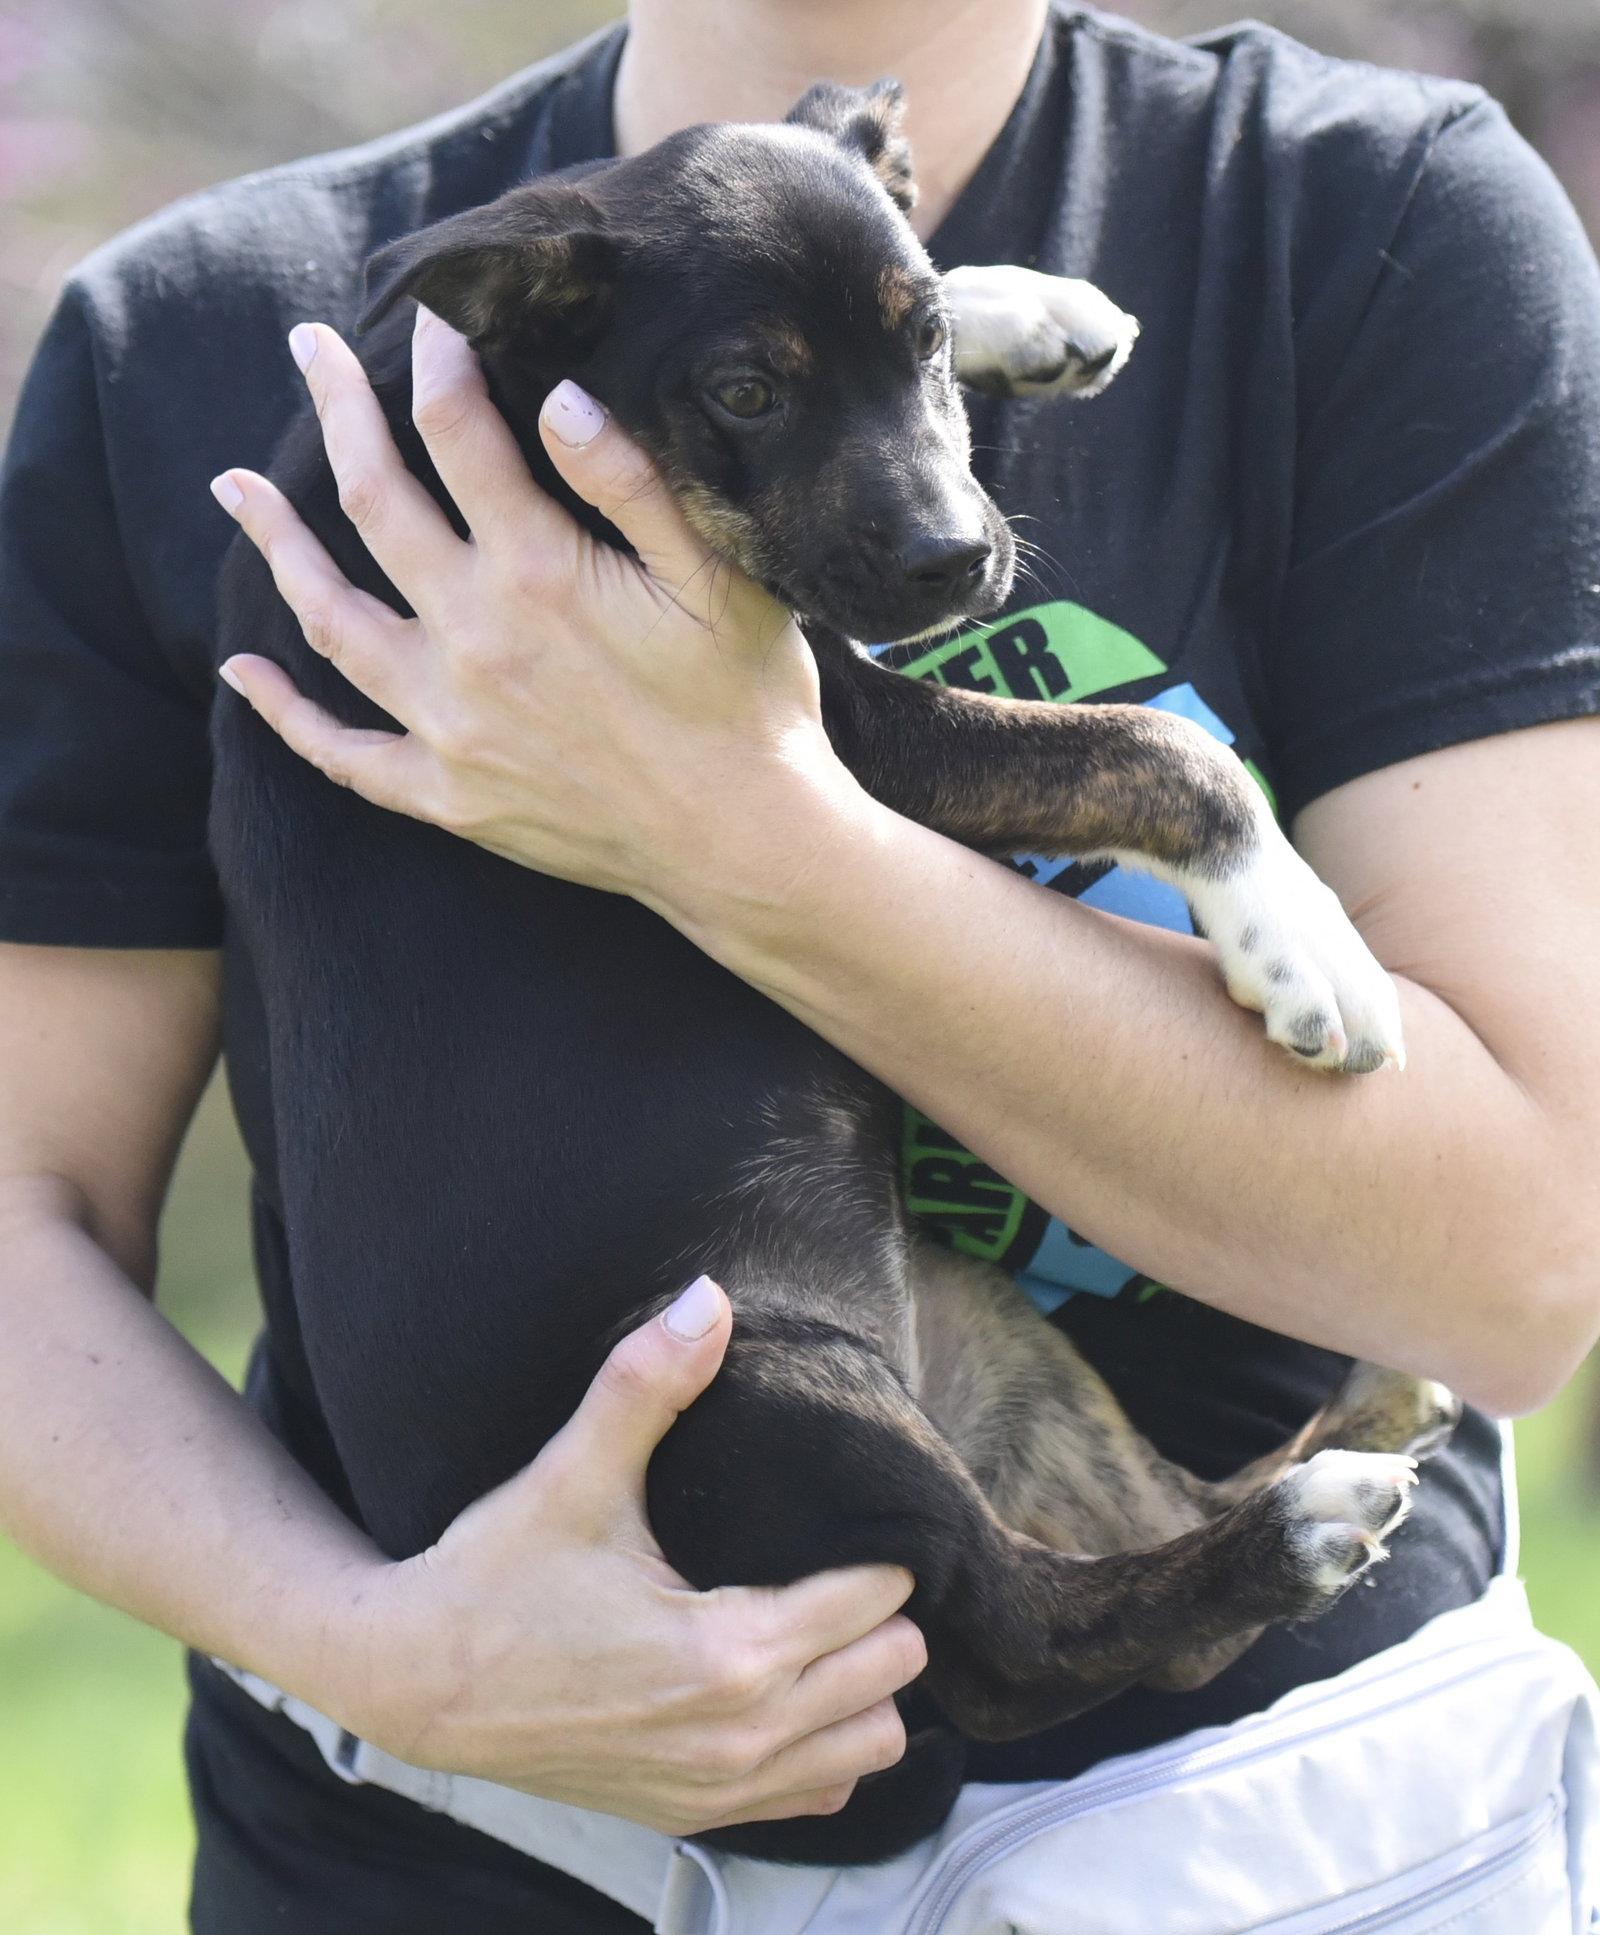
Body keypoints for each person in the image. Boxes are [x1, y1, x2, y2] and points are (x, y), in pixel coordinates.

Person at [2, 0, 1599, 1928]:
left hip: (1258, 1838)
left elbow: (1518, 1276)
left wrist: (727, 822)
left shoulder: (1364, 230)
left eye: (916, 332)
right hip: (460, 1845)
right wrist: (374, 1655)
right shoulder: (192, 344)